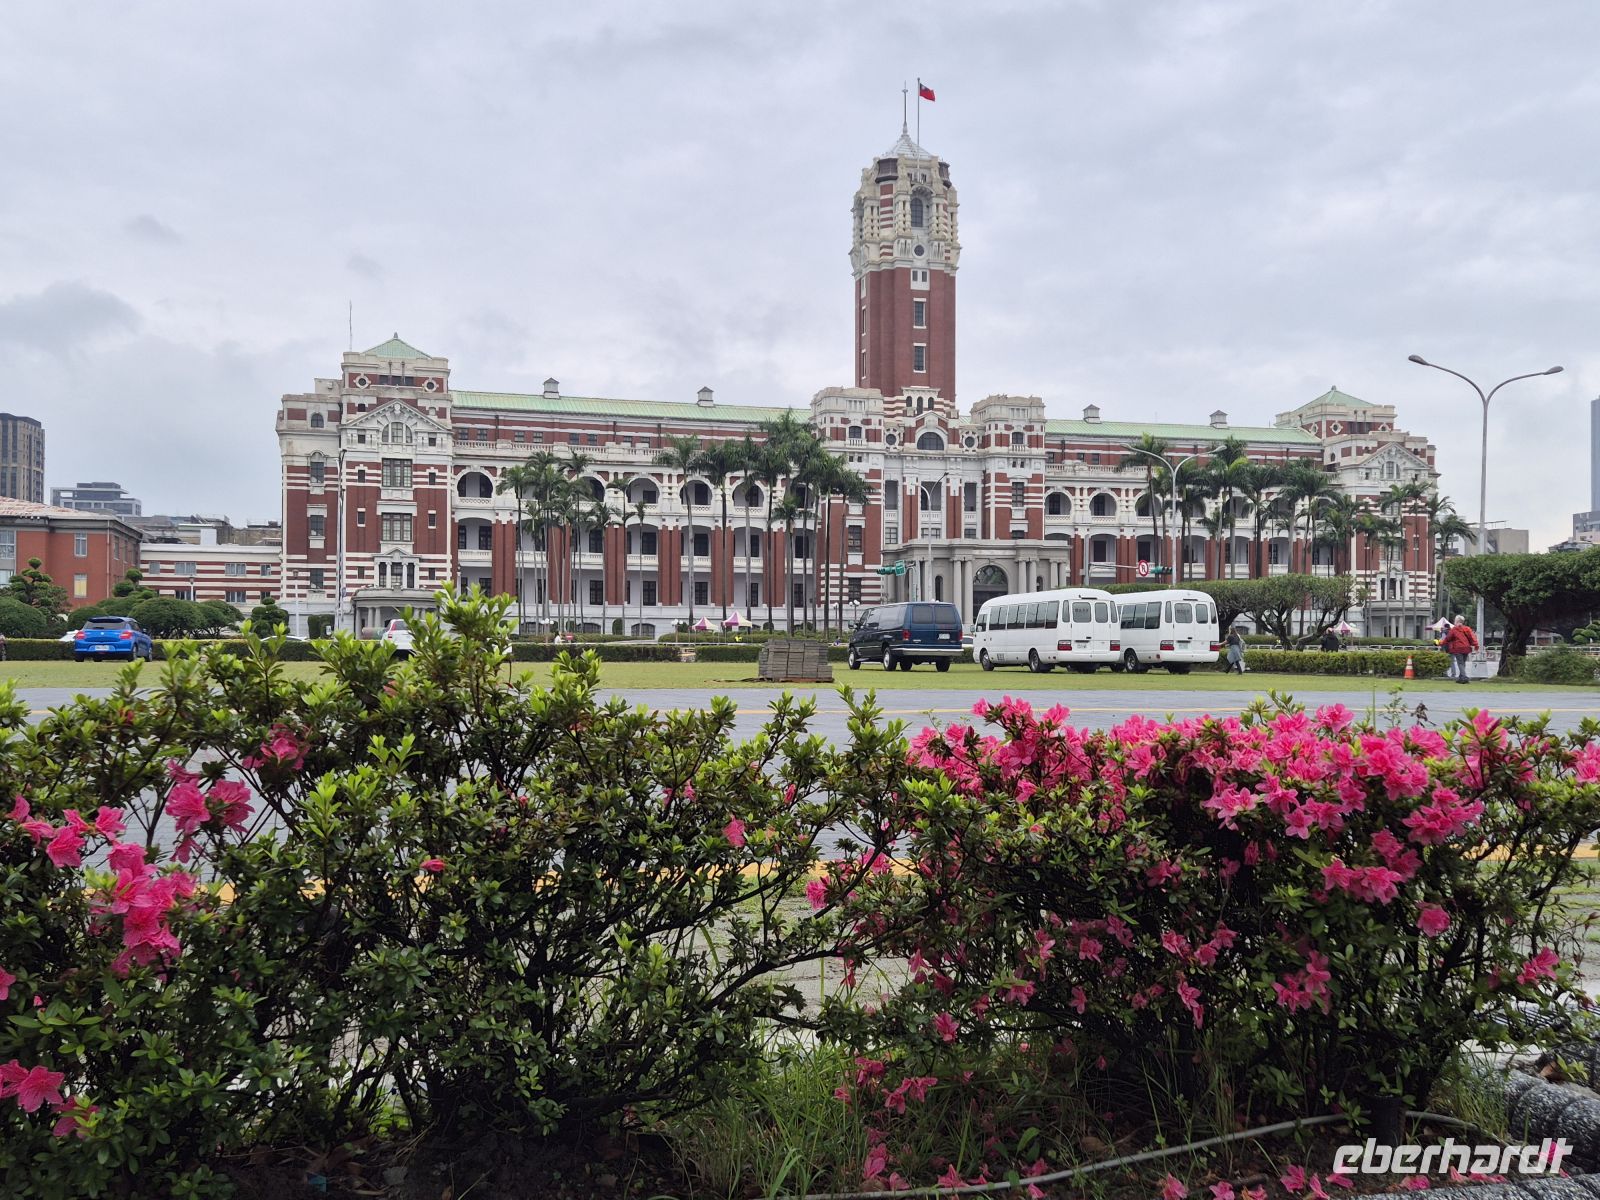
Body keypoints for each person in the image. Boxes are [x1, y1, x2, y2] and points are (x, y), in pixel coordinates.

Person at [1441, 614, 1478, 686]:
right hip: (1466, 648)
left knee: (1460, 663)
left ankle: (1464, 677)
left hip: (1458, 648)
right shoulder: (1467, 629)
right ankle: (1461, 678)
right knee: (1463, 663)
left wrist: (1442, 643)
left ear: (1457, 621)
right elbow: (1472, 638)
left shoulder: (1454, 629)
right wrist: (1476, 645)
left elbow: (1448, 638)